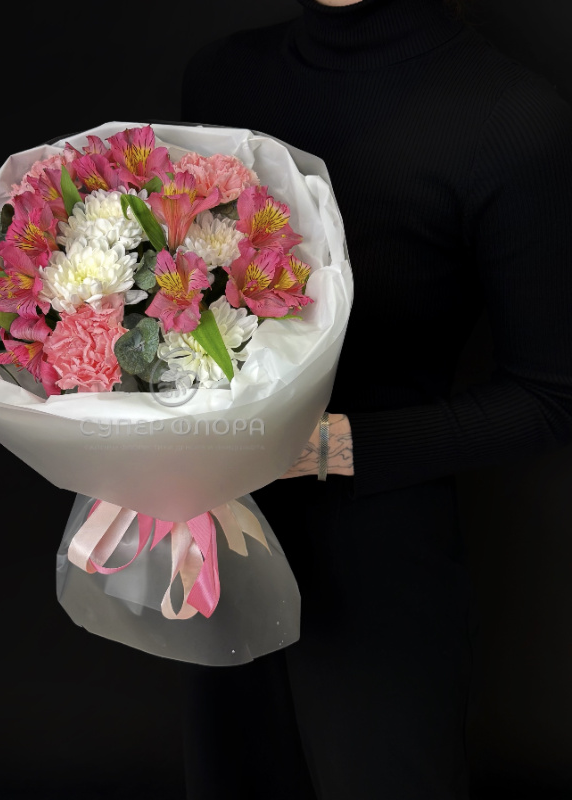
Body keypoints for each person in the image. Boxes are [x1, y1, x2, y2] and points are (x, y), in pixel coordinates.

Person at [176, 0, 572, 798]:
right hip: (213, 533)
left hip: (381, 556)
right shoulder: (222, 77)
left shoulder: (510, 118)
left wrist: (325, 446)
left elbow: (552, 397)